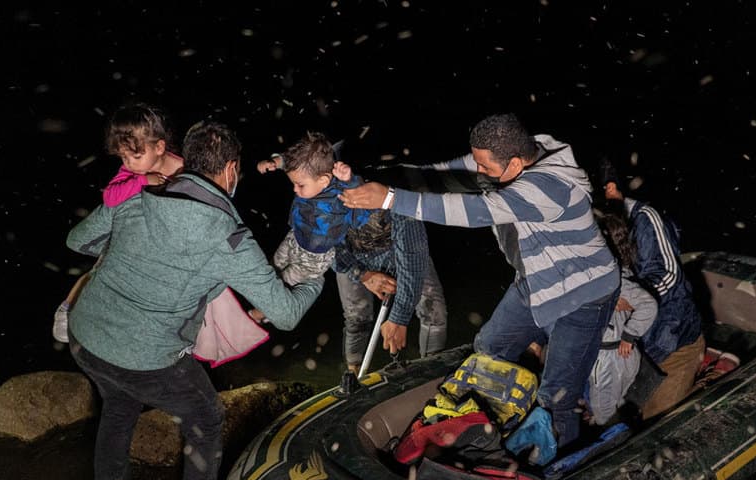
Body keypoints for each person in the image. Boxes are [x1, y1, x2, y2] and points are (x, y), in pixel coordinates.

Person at [66, 121, 322, 480]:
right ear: (230, 170)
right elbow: (288, 314)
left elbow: (79, 241)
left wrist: (133, 255)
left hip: (86, 337)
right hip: (144, 356)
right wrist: (316, 271)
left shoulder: (137, 193)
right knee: (205, 419)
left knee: (119, 402)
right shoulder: (229, 237)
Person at [341, 113, 619, 461]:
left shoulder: (549, 187)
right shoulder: (532, 148)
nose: (480, 173)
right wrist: (378, 176)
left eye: (486, 168)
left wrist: (391, 199)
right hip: (537, 281)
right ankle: (497, 421)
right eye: (479, 163)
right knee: (489, 346)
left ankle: (558, 471)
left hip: (584, 294)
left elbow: (473, 211)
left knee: (557, 400)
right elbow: (443, 172)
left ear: (516, 163)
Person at [257, 132, 447, 372]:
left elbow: (413, 258)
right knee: (357, 317)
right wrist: (364, 275)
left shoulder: (398, 189)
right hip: (351, 256)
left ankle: (431, 371)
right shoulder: (321, 195)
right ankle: (353, 374)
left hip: (398, 252)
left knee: (434, 307)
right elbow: (327, 247)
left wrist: (398, 317)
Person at [52, 103, 184, 344]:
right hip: (122, 234)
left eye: (135, 156)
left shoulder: (183, 170)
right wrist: (142, 180)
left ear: (159, 147)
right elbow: (110, 197)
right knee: (101, 270)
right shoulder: (131, 172)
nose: (129, 163)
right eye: (124, 157)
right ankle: (67, 308)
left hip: (153, 241)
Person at [597, 158, 706, 419]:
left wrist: (633, 300)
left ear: (610, 189)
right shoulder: (598, 226)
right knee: (624, 418)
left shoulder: (646, 219)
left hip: (673, 342)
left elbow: (669, 274)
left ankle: (705, 380)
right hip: (638, 349)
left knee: (658, 422)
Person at [585, 206, 658, 426]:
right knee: (618, 396)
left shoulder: (614, 282)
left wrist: (629, 334)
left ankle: (606, 431)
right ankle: (616, 419)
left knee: (603, 408)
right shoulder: (625, 273)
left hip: (610, 357)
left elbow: (649, 304)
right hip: (626, 356)